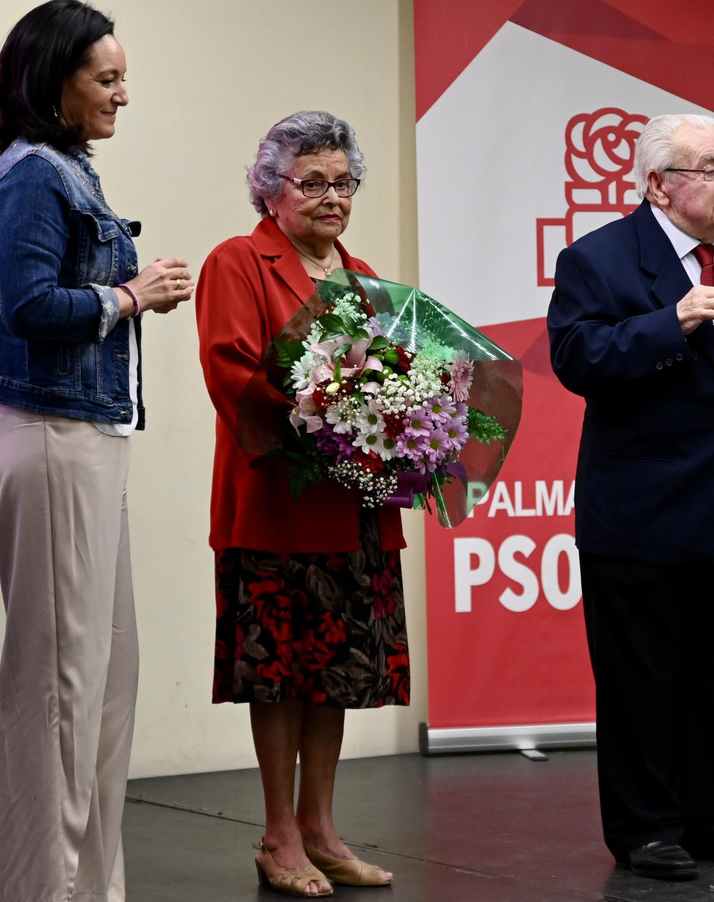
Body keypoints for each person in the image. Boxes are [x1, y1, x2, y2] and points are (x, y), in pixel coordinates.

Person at [0, 0, 195, 902]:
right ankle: (50, 891)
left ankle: (91, 885)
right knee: (62, 691)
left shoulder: (68, 168)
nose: (122, 95)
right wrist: (130, 297)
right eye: (106, 78)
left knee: (104, 684)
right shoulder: (34, 175)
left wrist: (127, 296)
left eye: (122, 78)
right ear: (53, 80)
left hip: (89, 439)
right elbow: (26, 307)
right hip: (54, 439)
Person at [548, 113, 714, 881]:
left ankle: (704, 813)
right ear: (660, 183)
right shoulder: (601, 258)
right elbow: (576, 354)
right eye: (711, 168)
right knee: (642, 680)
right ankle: (644, 826)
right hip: (645, 517)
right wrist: (672, 320)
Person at [195, 112, 407, 896]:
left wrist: (401, 422)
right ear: (271, 189)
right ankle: (277, 832)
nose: (330, 196)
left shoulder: (365, 278)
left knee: (340, 669)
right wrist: (321, 412)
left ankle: (320, 827)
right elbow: (231, 373)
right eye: (311, 181)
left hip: (353, 506)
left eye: (342, 181)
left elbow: (395, 386)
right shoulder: (238, 261)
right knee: (279, 671)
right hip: (276, 502)